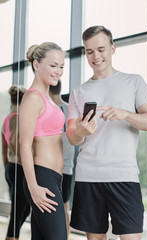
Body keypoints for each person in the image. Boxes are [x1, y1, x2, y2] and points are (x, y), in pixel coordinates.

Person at [66, 25, 147, 240]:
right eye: (89, 52)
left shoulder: (133, 81)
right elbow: (72, 137)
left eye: (101, 49)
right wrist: (80, 130)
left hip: (123, 175)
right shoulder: (78, 92)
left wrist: (126, 114)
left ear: (113, 48)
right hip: (88, 176)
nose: (95, 56)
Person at [19, 42, 67, 240]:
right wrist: (33, 187)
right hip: (41, 178)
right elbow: (24, 144)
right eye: (53, 65)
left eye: (62, 66)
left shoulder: (48, 99)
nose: (58, 71)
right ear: (37, 65)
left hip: (53, 178)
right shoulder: (33, 98)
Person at [1, 85, 30, 240]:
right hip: (20, 168)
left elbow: (3, 150)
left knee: (20, 210)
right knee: (18, 213)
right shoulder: (22, 117)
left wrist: (8, 170)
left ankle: (13, 235)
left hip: (11, 168)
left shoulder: (6, 119)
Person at [49, 80, 75, 237]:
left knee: (48, 207)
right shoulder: (69, 109)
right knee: (64, 207)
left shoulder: (50, 110)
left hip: (52, 167)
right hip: (67, 167)